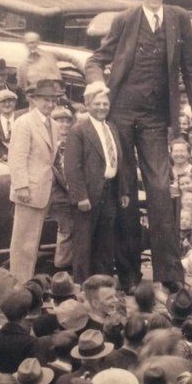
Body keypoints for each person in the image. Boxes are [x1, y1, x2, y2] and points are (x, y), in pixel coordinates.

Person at [84, 0, 192, 293]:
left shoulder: (179, 19)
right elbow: (95, 60)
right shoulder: (125, 20)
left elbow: (191, 68)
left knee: (159, 189)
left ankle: (169, 274)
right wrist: (98, 87)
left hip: (155, 118)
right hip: (123, 115)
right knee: (124, 192)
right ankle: (128, 275)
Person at [64, 82, 129, 284]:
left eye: (105, 104)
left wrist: (123, 191)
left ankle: (103, 286)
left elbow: (120, 161)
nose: (102, 107)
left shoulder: (112, 128)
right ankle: (82, 287)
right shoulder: (79, 130)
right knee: (84, 244)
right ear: (88, 104)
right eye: (97, 103)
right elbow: (72, 167)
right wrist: (80, 196)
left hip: (110, 192)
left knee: (105, 243)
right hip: (88, 195)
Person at [7, 79, 63, 284]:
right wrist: (21, 185)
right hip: (28, 190)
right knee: (23, 242)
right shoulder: (24, 122)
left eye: (53, 101)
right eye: (46, 100)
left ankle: (27, 282)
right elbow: (17, 157)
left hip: (44, 189)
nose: (50, 104)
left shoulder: (54, 125)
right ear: (35, 99)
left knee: (33, 240)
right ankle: (18, 285)